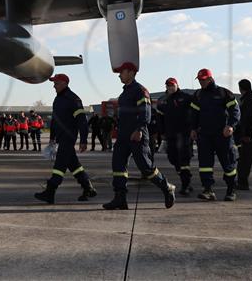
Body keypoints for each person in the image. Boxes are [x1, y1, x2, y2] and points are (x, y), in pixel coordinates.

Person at [102, 62, 176, 210]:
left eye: (121, 72)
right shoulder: (124, 93)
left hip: (137, 134)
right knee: (118, 165)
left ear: (130, 72)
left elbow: (146, 112)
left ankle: (166, 187)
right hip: (123, 136)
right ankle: (120, 198)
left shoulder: (140, 91)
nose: (119, 75)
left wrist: (140, 129)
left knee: (145, 167)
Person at [34, 73, 96, 203]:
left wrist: (83, 140)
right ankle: (88, 188)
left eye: (56, 83)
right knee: (74, 165)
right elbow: (55, 121)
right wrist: (52, 138)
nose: (54, 86)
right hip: (60, 138)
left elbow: (82, 121)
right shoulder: (58, 99)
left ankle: (50, 192)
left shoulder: (73, 99)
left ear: (64, 83)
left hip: (69, 138)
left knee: (59, 165)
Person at [190, 68, 241, 202]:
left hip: (222, 135)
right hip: (205, 135)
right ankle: (208, 190)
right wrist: (193, 129)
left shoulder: (224, 93)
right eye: (199, 80)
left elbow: (235, 110)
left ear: (210, 78)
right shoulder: (198, 95)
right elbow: (193, 114)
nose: (201, 82)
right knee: (205, 164)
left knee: (228, 163)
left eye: (203, 79)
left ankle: (231, 190)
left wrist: (230, 125)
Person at [156, 78, 195, 195]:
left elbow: (196, 111)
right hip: (170, 134)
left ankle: (186, 185)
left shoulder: (186, 97)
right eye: (168, 86)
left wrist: (194, 127)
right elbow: (159, 118)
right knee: (172, 158)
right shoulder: (163, 101)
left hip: (184, 134)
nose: (170, 88)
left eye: (172, 85)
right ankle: (185, 177)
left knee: (184, 159)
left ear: (177, 85)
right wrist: (161, 132)